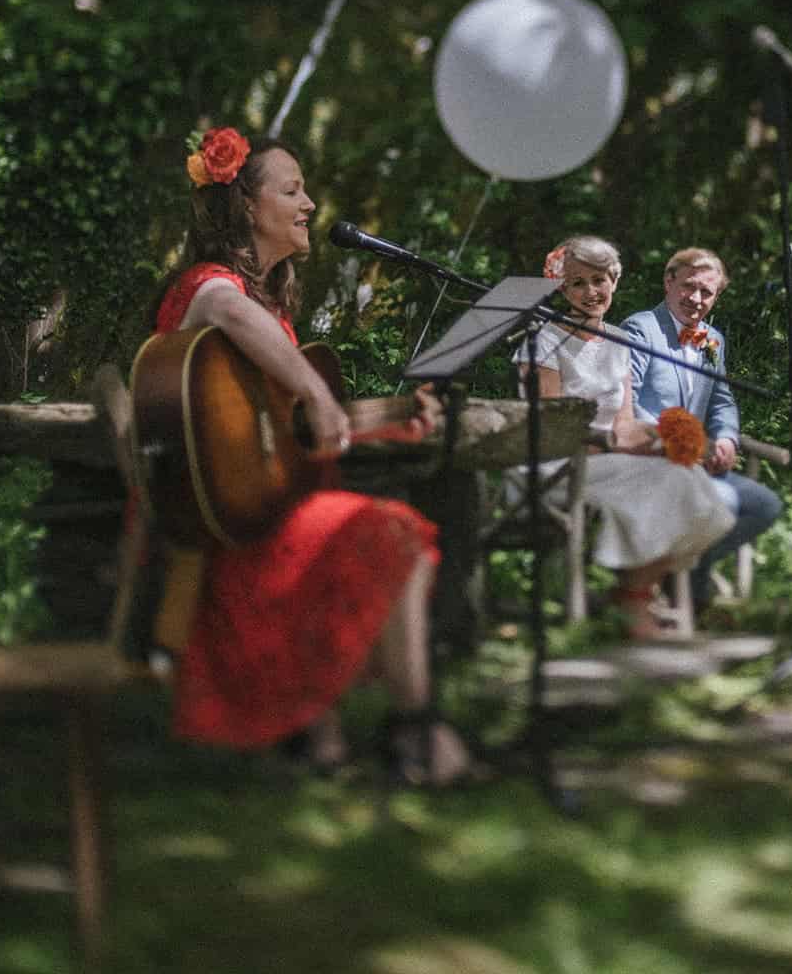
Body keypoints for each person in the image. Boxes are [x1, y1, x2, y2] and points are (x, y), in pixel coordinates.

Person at [147, 126, 475, 785]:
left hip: (270, 514)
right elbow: (227, 313)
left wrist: (390, 422)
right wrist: (309, 389)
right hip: (223, 538)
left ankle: (340, 729)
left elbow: (287, 436)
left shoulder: (273, 314)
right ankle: (411, 729)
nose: (310, 204)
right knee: (394, 531)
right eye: (292, 189)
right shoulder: (208, 288)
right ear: (245, 206)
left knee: (395, 528)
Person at [518, 235, 735, 640]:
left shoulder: (619, 342)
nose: (590, 292)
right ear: (561, 288)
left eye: (599, 280)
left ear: (614, 282)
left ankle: (632, 590)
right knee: (662, 483)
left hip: (607, 458)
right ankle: (634, 599)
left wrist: (668, 438)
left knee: (692, 482)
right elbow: (549, 423)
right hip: (559, 460)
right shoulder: (546, 339)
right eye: (577, 283)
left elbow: (626, 426)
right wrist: (616, 445)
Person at [622, 248, 783, 617]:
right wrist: (678, 443)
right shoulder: (641, 328)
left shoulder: (713, 339)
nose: (696, 299)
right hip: (654, 458)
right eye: (688, 287)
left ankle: (679, 576)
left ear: (717, 296)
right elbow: (627, 404)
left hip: (697, 462)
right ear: (669, 282)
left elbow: (722, 399)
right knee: (721, 501)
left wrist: (725, 437)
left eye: (706, 292)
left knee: (764, 505)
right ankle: (687, 600)